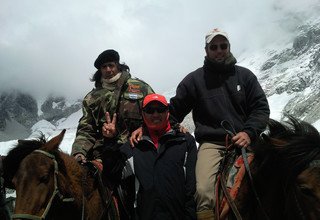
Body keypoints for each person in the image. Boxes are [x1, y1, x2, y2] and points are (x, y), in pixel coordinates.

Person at [131, 28, 270, 219]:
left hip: (248, 139)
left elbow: (261, 108)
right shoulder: (194, 80)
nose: (219, 50)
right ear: (206, 50)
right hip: (213, 143)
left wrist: (248, 132)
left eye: (223, 46)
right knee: (204, 190)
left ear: (229, 48)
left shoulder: (245, 76)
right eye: (214, 47)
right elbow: (172, 111)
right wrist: (146, 128)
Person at [111, 94, 197, 220]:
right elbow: (113, 173)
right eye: (150, 110)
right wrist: (110, 140)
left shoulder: (185, 141)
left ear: (167, 112)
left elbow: (191, 188)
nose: (155, 114)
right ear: (143, 114)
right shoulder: (134, 145)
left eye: (160, 110)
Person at [71, 49, 154, 164]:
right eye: (104, 67)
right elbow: (86, 129)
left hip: (139, 147)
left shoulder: (140, 88)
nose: (108, 70)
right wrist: (79, 152)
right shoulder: (91, 98)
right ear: (100, 70)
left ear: (118, 66)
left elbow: (158, 114)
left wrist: (143, 129)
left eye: (111, 65)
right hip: (103, 154)